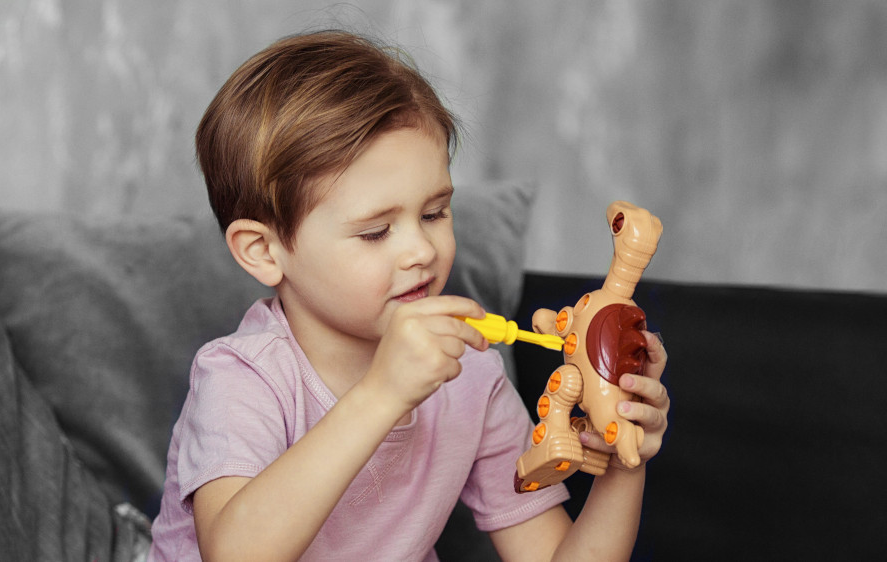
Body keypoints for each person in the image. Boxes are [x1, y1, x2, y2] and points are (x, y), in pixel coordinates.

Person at [148, 29, 669, 561]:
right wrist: (383, 394)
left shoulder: (471, 375)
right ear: (263, 251)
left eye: (434, 213)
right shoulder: (240, 378)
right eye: (375, 232)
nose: (421, 249)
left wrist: (625, 462)